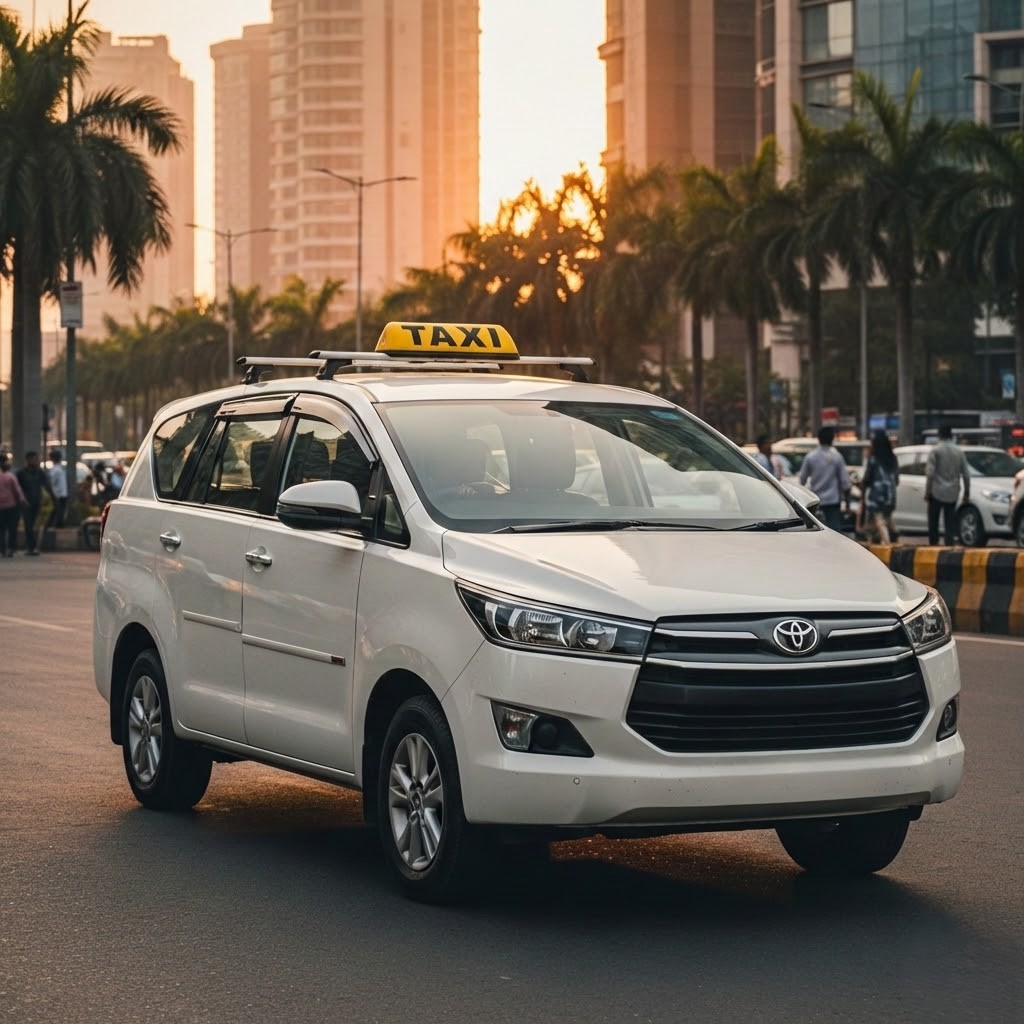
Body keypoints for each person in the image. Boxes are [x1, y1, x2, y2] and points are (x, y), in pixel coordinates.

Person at [799, 426, 851, 531]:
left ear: (819, 439)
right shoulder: (837, 457)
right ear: (832, 439)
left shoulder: (811, 457)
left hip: (815, 501)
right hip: (833, 502)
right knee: (834, 533)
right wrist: (847, 503)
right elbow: (845, 483)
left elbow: (802, 480)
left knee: (815, 531)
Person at [926, 423, 971, 545]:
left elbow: (930, 474)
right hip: (953, 491)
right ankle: (949, 545)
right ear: (951, 435)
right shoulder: (959, 451)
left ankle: (933, 544)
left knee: (933, 521)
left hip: (936, 491)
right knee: (949, 522)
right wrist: (967, 492)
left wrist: (927, 492)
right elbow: (966, 474)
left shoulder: (935, 450)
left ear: (939, 435)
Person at [860, 430, 900, 544]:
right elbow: (896, 479)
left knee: (880, 521)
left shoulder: (873, 459)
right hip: (890, 496)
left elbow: (868, 477)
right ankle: (894, 534)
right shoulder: (893, 458)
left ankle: (886, 542)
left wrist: (862, 485)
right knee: (886, 518)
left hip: (877, 496)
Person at [15, 450, 55, 556]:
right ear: (28, 460)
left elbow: (47, 485)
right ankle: (30, 547)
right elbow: (16, 488)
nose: (37, 461)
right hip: (25, 503)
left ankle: (34, 547)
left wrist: (53, 498)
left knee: (35, 526)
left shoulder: (40, 472)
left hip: (38, 503)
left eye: (38, 459)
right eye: (35, 459)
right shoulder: (21, 473)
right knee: (28, 525)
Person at [0, 453, 28, 557]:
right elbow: (17, 490)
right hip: (10, 506)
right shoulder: (10, 476)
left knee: (1, 530)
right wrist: (23, 501)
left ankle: (2, 549)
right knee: (12, 529)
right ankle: (11, 548)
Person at [47, 448, 69, 529]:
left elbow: (52, 483)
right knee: (59, 510)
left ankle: (56, 524)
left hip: (58, 493)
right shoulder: (61, 469)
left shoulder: (55, 470)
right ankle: (57, 524)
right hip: (60, 493)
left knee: (58, 509)